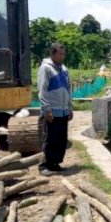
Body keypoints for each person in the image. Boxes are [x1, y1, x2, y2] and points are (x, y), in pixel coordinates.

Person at [38, 43, 72, 176]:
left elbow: (68, 89)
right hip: (52, 110)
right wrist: (46, 109)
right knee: (50, 138)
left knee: (61, 138)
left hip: (63, 110)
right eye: (60, 54)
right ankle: (44, 165)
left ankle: (55, 163)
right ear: (52, 54)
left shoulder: (64, 69)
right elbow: (42, 90)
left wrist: (70, 107)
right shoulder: (45, 68)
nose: (62, 56)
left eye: (64, 54)